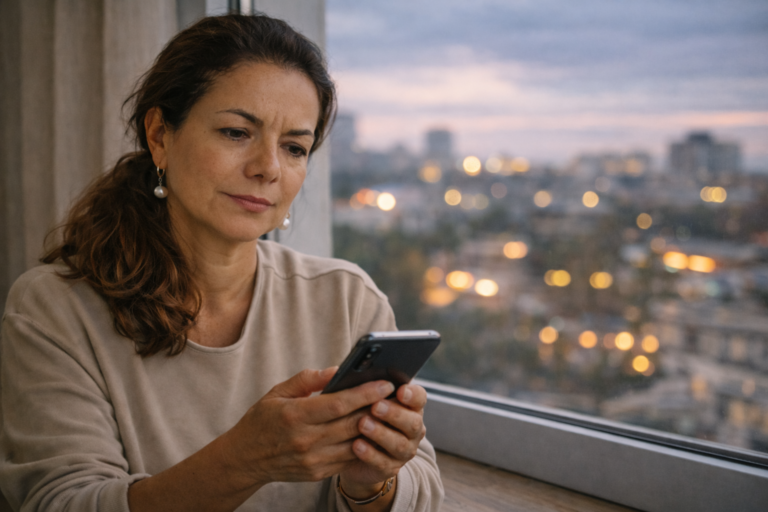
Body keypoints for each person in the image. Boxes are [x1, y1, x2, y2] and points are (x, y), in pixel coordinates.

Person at [0, 14, 443, 512]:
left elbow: (420, 486)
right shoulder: (54, 309)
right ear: (160, 136)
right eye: (236, 133)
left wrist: (369, 483)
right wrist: (244, 460)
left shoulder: (345, 298)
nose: (268, 168)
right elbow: (61, 502)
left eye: (294, 147)